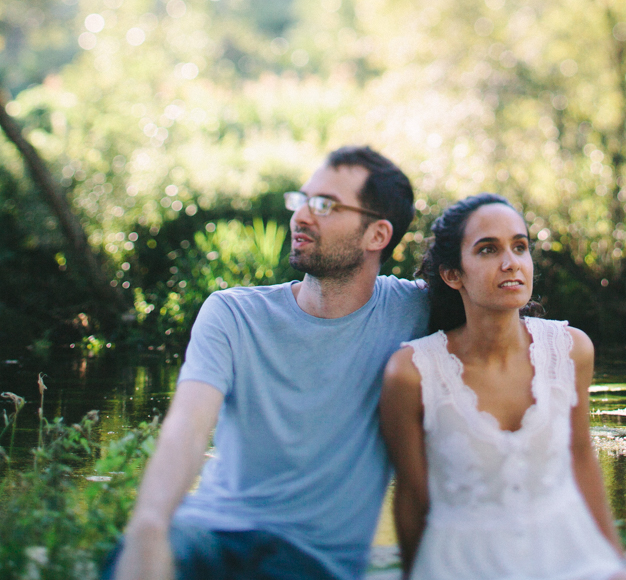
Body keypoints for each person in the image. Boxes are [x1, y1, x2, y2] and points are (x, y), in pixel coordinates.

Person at [107, 146, 429, 580]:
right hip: (211, 533)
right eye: (302, 199)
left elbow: (495, 311)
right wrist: (149, 524)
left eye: (325, 205)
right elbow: (187, 426)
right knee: (144, 553)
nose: (300, 216)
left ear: (377, 235)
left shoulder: (414, 313)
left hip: (313, 560)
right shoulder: (233, 314)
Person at [379, 194, 626, 580]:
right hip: (460, 565)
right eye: (487, 249)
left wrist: (615, 562)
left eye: (520, 246)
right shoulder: (411, 372)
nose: (511, 262)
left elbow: (581, 457)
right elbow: (413, 498)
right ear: (452, 274)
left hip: (569, 555)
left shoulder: (570, 350)